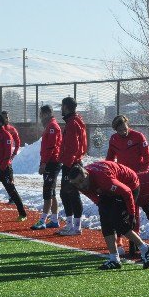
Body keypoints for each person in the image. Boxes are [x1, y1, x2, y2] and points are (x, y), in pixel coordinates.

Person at [68, 161, 149, 270]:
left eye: (81, 181)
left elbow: (127, 192)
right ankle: (114, 258)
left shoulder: (104, 179)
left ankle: (145, 248)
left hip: (129, 185)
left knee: (116, 220)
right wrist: (103, 206)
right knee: (105, 220)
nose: (80, 185)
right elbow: (93, 196)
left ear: (86, 174)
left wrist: (131, 213)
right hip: (110, 190)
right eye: (77, 184)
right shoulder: (80, 182)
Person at [106, 114, 149, 255]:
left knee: (134, 209)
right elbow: (110, 158)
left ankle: (135, 240)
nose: (123, 132)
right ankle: (118, 240)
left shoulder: (138, 137)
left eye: (124, 128)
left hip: (136, 179)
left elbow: (147, 157)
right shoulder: (114, 139)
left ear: (127, 124)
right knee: (118, 208)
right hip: (121, 178)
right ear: (116, 131)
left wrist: (142, 173)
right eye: (120, 130)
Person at [58, 97, 87, 236]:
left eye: (62, 106)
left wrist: (68, 164)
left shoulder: (72, 123)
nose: (61, 109)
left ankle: (75, 227)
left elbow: (73, 146)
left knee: (71, 194)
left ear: (66, 107)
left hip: (72, 164)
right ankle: (71, 225)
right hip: (73, 162)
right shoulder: (75, 120)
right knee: (66, 193)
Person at [31, 104, 63, 230]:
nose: (40, 117)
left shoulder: (52, 127)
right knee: (52, 192)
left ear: (45, 114)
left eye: (41, 115)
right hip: (50, 162)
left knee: (47, 191)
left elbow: (50, 147)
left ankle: (43, 220)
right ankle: (54, 220)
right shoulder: (50, 126)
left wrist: (43, 163)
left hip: (52, 163)